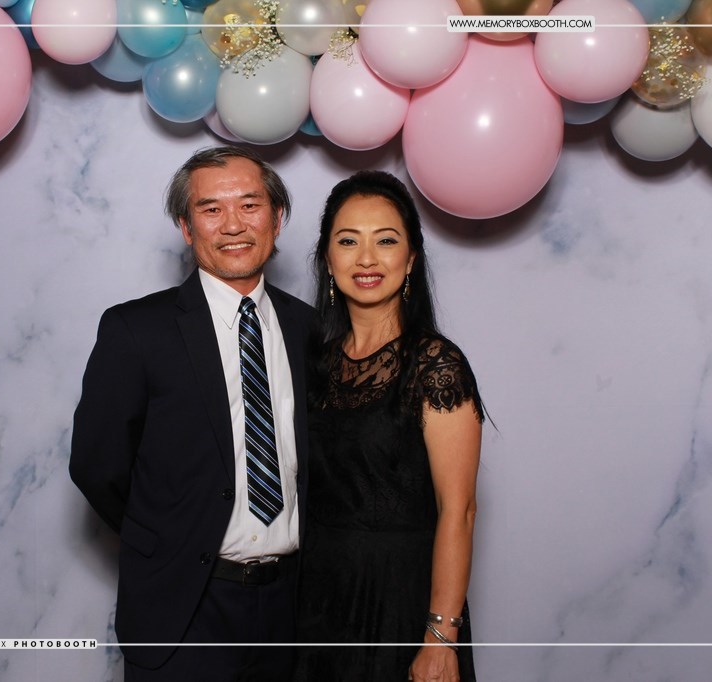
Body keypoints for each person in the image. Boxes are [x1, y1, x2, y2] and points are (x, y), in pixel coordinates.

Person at [69, 145, 316, 681]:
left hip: (292, 611)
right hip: (182, 608)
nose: (233, 225)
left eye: (249, 205)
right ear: (186, 227)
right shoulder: (136, 331)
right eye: (210, 209)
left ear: (277, 218)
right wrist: (167, 536)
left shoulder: (311, 330)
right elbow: (97, 465)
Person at [294, 170, 484, 682]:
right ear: (327, 258)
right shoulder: (314, 363)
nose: (366, 258)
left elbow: (460, 510)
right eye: (347, 241)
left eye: (385, 241)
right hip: (315, 599)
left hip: (401, 601)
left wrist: (440, 637)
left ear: (411, 258)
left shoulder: (435, 364)